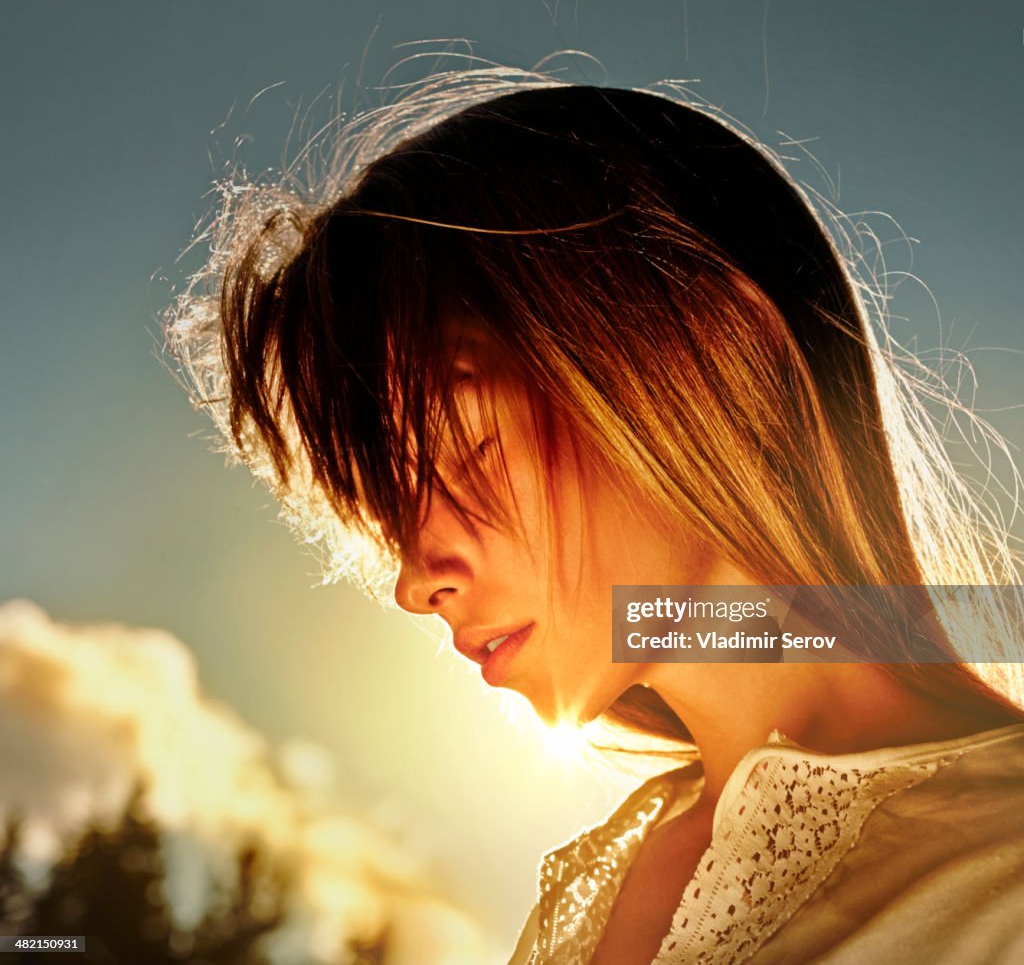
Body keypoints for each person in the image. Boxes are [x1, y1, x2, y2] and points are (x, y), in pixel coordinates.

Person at [165, 72, 1024, 964]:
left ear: (706, 353)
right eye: (388, 507)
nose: (415, 582)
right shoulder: (596, 895)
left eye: (460, 449)